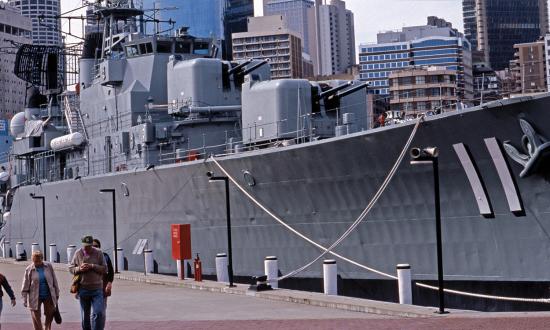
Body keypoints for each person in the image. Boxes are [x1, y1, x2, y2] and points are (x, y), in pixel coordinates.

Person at [69, 235, 106, 330]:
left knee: (98, 313)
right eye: (85, 246)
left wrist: (92, 266)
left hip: (97, 289)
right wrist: (79, 268)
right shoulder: (78, 253)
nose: (87, 248)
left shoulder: (99, 253)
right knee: (85, 316)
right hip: (83, 289)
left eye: (89, 246)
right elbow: (71, 268)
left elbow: (105, 269)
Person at [21, 250, 60, 330]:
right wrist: (24, 299)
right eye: (34, 261)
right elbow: (25, 285)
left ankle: (46, 327)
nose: (36, 263)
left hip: (48, 295)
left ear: (42, 259)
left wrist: (57, 293)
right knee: (36, 316)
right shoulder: (29, 269)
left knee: (50, 314)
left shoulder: (48, 266)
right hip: (34, 296)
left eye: (38, 261)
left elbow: (54, 280)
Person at [91, 239, 113, 325]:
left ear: (99, 247)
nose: (94, 248)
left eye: (96, 246)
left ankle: (101, 327)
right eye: (92, 246)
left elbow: (111, 272)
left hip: (102, 289)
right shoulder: (87, 257)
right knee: (93, 312)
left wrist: (109, 283)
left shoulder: (106, 257)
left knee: (102, 312)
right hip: (91, 288)